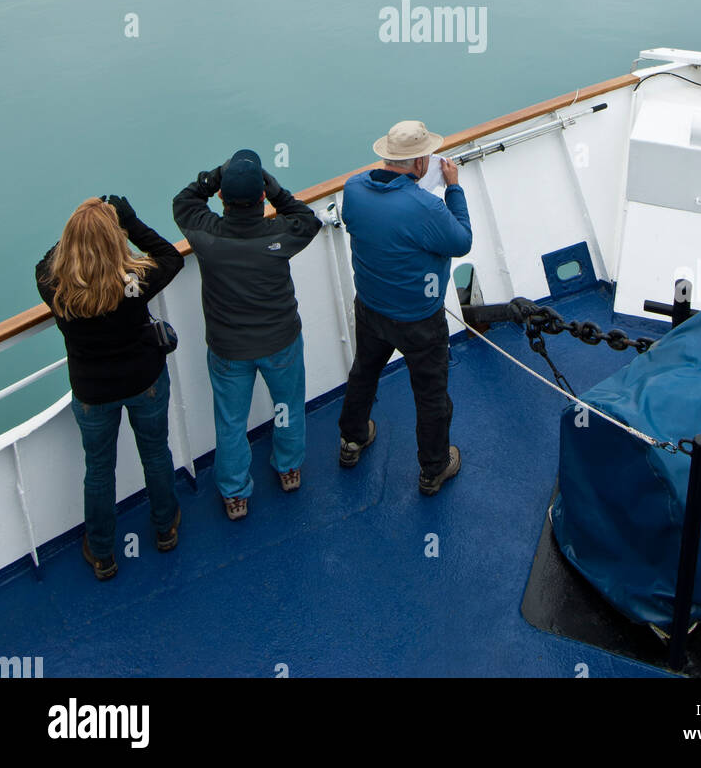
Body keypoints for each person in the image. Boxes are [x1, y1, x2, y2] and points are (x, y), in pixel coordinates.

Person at [35, 196, 185, 580]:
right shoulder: (133, 283)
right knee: (155, 454)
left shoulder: (56, 286)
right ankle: (165, 528)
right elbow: (170, 257)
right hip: (143, 382)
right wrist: (128, 219)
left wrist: (80, 229)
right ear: (115, 238)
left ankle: (102, 554)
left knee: (99, 472)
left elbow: (44, 263)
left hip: (92, 394)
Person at [173, 150, 321, 520]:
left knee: (231, 423)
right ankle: (288, 469)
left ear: (221, 197)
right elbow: (308, 220)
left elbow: (183, 202)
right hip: (281, 343)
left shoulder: (205, 235)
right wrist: (278, 192)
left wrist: (213, 176)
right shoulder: (281, 233)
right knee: (287, 407)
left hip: (228, 350)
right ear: (261, 197)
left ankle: (235, 493)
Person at [338, 119, 472, 494]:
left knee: (364, 372)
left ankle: (352, 440)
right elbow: (461, 242)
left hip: (370, 307)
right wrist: (454, 189)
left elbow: (354, 221)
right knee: (430, 395)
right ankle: (433, 469)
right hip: (418, 320)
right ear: (418, 164)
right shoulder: (425, 206)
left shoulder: (353, 188)